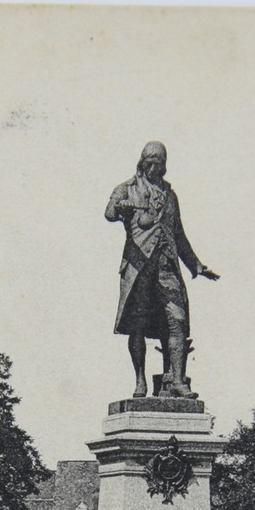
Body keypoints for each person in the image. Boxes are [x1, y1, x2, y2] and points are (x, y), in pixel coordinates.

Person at [105, 141, 219, 399]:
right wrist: (120, 208)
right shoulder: (126, 188)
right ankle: (140, 383)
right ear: (142, 161)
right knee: (138, 326)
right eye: (150, 160)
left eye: (159, 161)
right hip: (138, 266)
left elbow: (178, 234)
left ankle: (177, 381)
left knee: (177, 321)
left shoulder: (169, 195)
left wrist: (197, 265)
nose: (154, 165)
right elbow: (109, 212)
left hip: (167, 266)